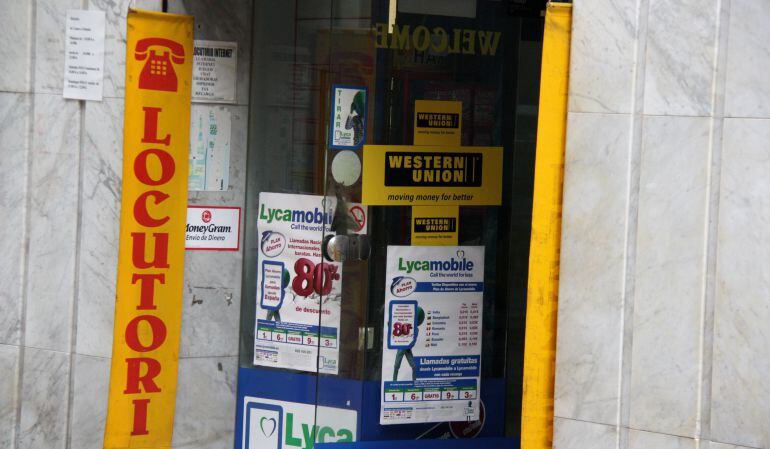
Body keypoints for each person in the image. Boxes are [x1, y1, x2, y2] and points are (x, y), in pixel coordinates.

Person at [392, 306, 425, 381]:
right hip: (402, 348)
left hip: (407, 348)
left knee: (414, 366)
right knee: (396, 366)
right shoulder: (405, 325)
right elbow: (396, 330)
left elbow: (413, 341)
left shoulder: (415, 329)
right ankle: (394, 381)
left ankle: (414, 382)